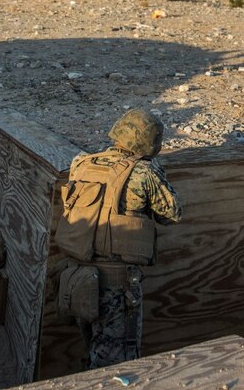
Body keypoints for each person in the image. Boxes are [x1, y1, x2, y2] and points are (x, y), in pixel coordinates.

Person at [54, 107, 182, 369]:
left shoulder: (82, 163)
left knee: (91, 351)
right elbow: (172, 214)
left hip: (76, 278)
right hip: (115, 286)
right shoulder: (144, 172)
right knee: (117, 367)